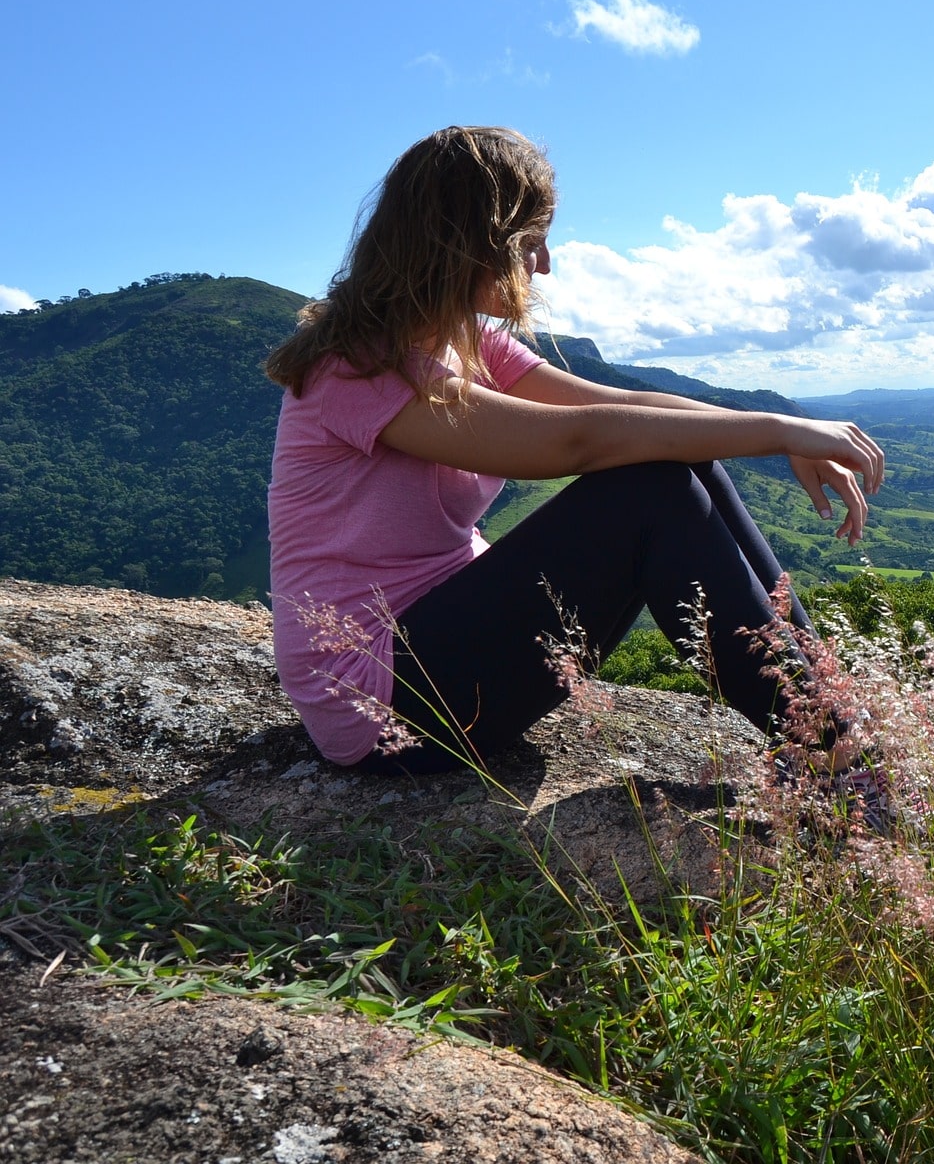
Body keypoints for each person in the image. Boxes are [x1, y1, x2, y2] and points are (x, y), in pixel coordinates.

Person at [264, 125, 884, 775]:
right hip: (374, 696)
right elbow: (580, 437)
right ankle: (837, 757)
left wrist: (778, 428)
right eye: (530, 242)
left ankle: (835, 719)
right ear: (471, 243)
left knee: (684, 461)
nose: (544, 263)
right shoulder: (353, 366)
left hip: (447, 640)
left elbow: (631, 410)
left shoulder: (464, 341)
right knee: (654, 493)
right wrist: (782, 435)